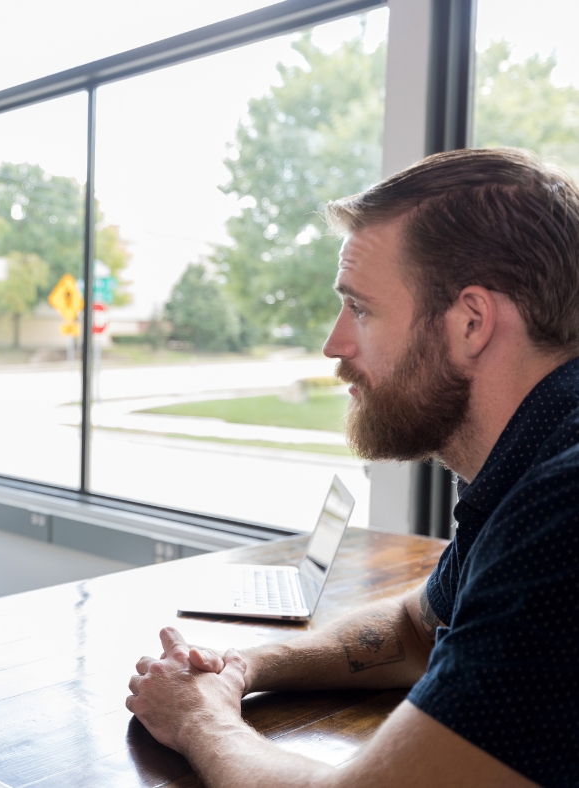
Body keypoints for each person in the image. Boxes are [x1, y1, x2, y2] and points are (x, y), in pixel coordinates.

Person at [126, 148, 579, 787]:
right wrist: (239, 668)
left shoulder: (561, 515)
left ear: (471, 322)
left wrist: (202, 718)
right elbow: (415, 631)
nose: (334, 344)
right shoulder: (530, 465)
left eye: (360, 309)